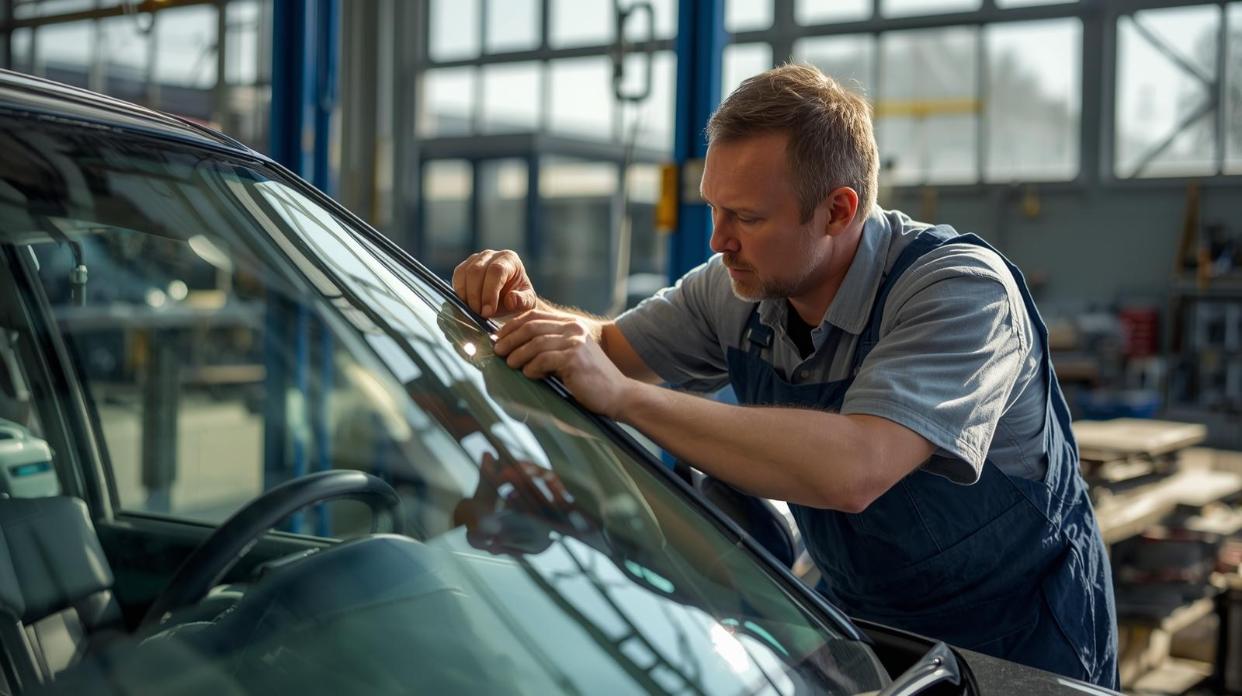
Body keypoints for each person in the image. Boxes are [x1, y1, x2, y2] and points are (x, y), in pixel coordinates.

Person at [451, 63, 1118, 687]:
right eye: (715, 208)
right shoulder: (739, 286)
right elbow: (610, 348)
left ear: (837, 210)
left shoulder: (961, 292)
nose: (718, 240)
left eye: (746, 217)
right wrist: (529, 312)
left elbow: (855, 468)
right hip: (862, 617)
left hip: (1019, 638)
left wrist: (625, 400)